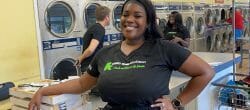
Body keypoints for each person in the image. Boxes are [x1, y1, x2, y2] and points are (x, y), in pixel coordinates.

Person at [29, 0, 214, 110]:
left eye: (137, 15)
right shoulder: (106, 53)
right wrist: (43, 90)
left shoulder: (163, 48)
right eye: (125, 14)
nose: (129, 19)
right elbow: (80, 83)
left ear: (148, 21)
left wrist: (176, 103)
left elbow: (205, 72)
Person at [75, 6, 111, 72]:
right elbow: (90, 50)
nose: (110, 19)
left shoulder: (94, 27)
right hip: (90, 66)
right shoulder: (99, 29)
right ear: (106, 17)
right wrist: (81, 58)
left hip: (89, 66)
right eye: (109, 17)